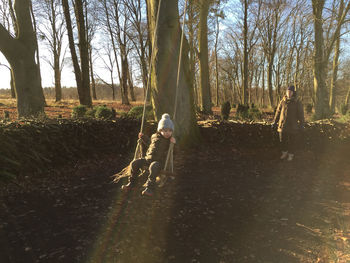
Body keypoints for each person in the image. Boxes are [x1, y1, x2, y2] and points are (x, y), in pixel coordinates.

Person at [121, 113, 176, 196]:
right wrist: (142, 137)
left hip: (158, 162)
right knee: (134, 163)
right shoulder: (154, 136)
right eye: (165, 131)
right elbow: (149, 143)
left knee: (153, 166)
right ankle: (132, 183)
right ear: (160, 130)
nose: (168, 133)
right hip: (147, 159)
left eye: (170, 131)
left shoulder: (169, 141)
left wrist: (174, 143)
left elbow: (173, 151)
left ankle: (149, 188)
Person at [272, 85, 304, 161]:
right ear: (286, 92)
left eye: (290, 92)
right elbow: (278, 112)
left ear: (293, 93)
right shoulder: (282, 101)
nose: (289, 93)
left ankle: (290, 155)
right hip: (283, 125)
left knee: (292, 141)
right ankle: (284, 153)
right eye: (288, 91)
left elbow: (300, 114)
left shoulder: (297, 102)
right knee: (282, 140)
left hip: (293, 126)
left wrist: (302, 124)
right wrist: (274, 122)